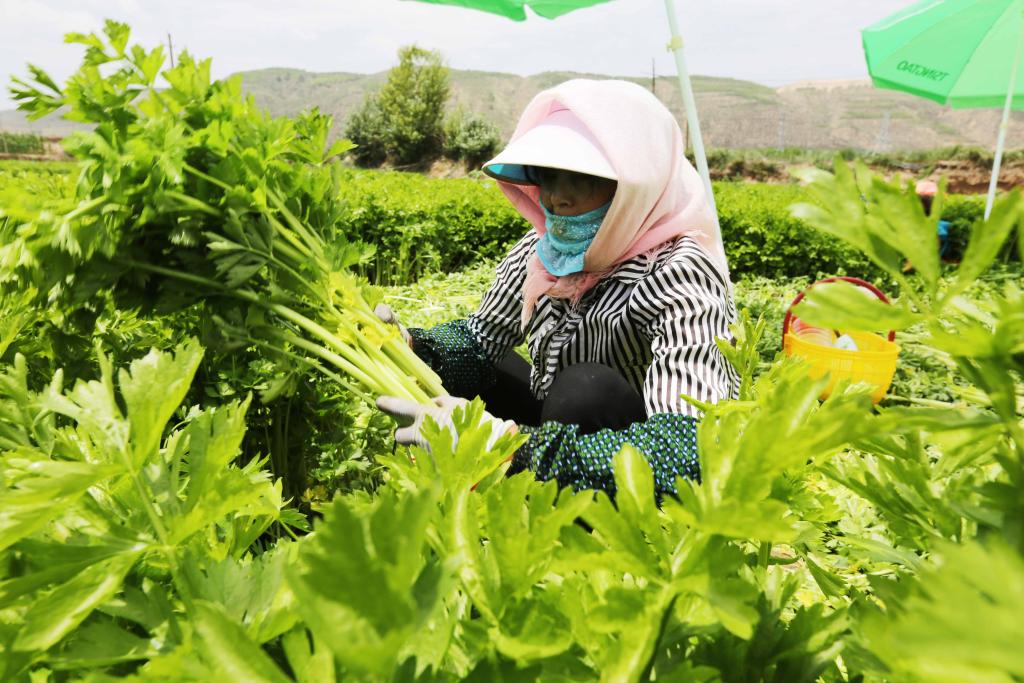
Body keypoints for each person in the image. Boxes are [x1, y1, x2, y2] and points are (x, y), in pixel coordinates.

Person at [376, 79, 739, 498]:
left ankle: (567, 512)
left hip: (632, 454)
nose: (557, 198)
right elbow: (482, 339)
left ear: (637, 185)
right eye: (548, 176)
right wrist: (411, 347)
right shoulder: (543, 249)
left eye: (583, 178)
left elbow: (689, 449)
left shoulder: (679, 274)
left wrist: (511, 449)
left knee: (584, 388)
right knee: (487, 369)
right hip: (554, 425)